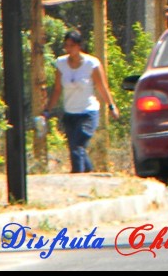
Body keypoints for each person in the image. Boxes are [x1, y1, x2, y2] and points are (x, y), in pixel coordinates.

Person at [44, 29, 119, 173]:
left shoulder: (91, 63)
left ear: (79, 46)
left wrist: (111, 106)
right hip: (70, 114)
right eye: (66, 45)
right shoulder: (61, 63)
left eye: (71, 45)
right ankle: (89, 175)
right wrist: (48, 110)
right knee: (76, 148)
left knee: (77, 146)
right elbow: (57, 89)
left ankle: (77, 177)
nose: (68, 49)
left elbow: (102, 86)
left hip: (88, 113)